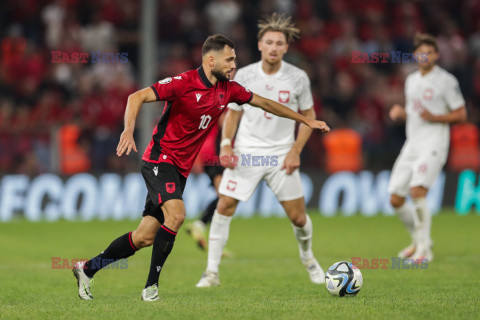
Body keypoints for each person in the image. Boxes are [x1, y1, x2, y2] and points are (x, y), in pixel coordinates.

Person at [72, 34, 330, 302]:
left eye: (235, 59)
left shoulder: (229, 89)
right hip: (160, 160)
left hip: (180, 169)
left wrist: (304, 120)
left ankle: (87, 269)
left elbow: (264, 102)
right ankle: (151, 288)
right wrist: (128, 131)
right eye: (229, 60)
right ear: (211, 60)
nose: (233, 65)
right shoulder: (183, 83)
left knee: (144, 236)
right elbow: (135, 97)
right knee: (177, 216)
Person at [196, 14, 325, 288]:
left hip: (281, 155)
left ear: (286, 47)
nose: (274, 47)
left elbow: (308, 117)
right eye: (269, 42)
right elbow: (232, 114)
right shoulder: (244, 75)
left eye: (279, 43)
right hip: (247, 153)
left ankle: (309, 260)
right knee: (224, 204)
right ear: (260, 45)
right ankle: (211, 273)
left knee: (299, 218)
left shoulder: (298, 78)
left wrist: (295, 151)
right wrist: (226, 144)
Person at [388, 33, 466, 262]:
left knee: (417, 192)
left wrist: (436, 117)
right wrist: (402, 113)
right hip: (412, 143)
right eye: (421, 52)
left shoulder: (446, 80)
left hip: (434, 143)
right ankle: (417, 241)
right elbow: (415, 111)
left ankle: (424, 251)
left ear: (436, 55)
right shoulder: (411, 80)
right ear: (415, 55)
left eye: (429, 52)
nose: (425, 56)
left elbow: (461, 113)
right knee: (395, 199)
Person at [185, 117, 233, 257]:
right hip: (214, 156)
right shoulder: (221, 106)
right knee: (225, 197)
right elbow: (226, 121)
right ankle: (204, 229)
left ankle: (202, 226)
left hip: (211, 155)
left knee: (225, 198)